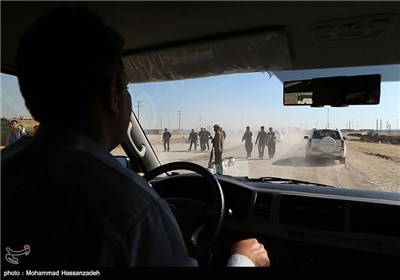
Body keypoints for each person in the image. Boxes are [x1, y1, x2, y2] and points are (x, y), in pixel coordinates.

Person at [1, 6, 270, 267]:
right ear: (112, 96)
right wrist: (243, 260)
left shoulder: (7, 167)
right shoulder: (133, 208)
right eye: (126, 87)